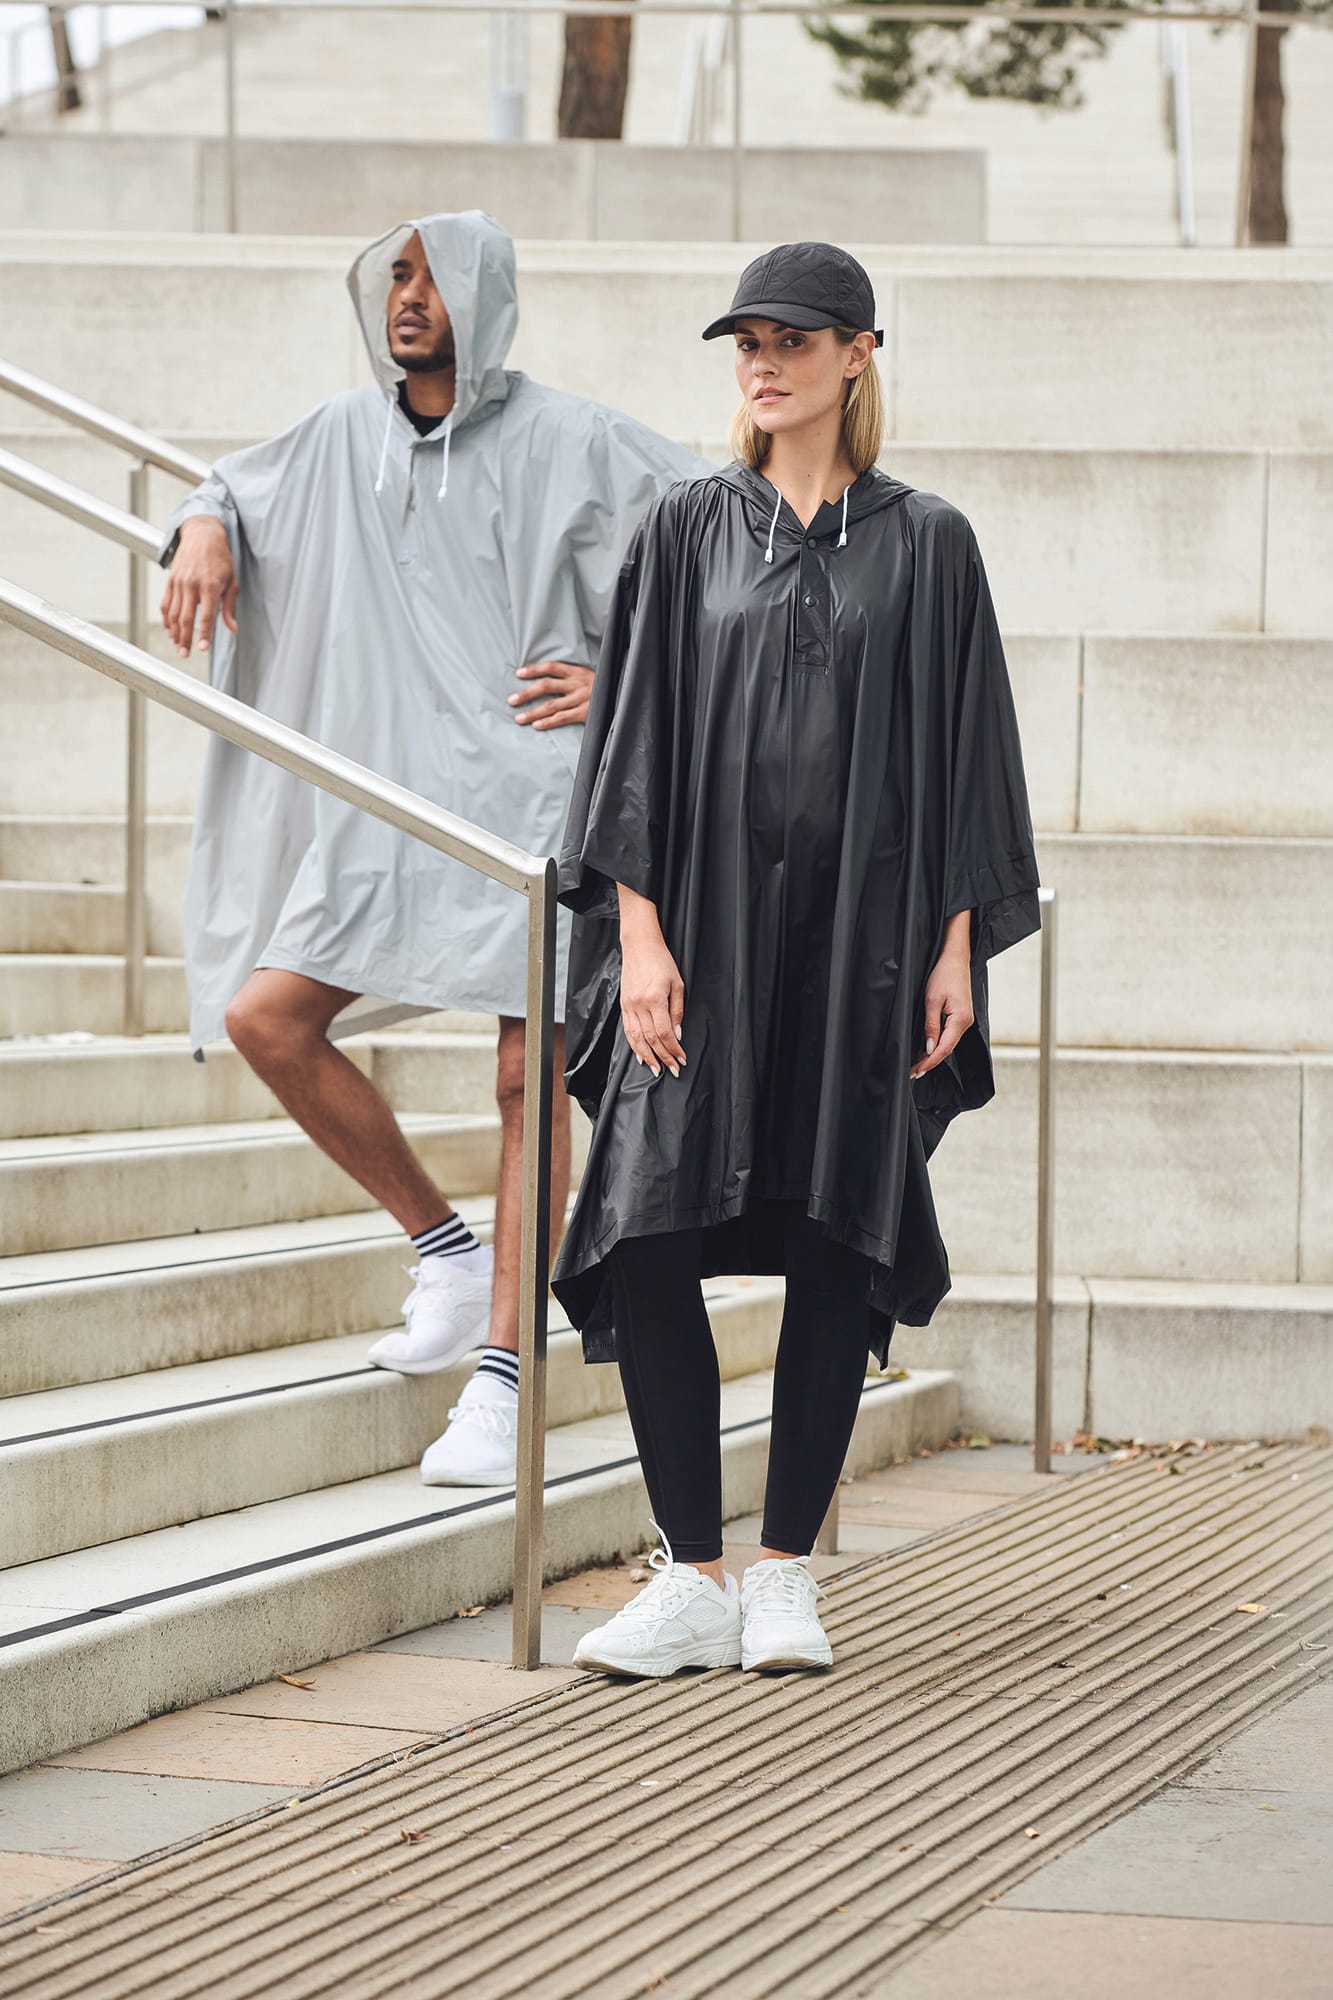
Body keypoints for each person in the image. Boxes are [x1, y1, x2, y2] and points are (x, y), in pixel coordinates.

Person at [551, 242, 1040, 1676]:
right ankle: (690, 1572)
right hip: (697, 946)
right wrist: (641, 940)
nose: (763, 364)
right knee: (647, 1230)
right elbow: (630, 744)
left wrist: (956, 946)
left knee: (838, 1231)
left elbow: (965, 758)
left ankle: (782, 1577)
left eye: (793, 340)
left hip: (865, 946)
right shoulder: (684, 528)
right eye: (746, 343)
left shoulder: (929, 543)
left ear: (857, 353)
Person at [159, 211, 706, 1488]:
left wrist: (623, 680)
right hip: (390, 812)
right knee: (266, 1018)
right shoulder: (340, 435)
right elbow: (229, 484)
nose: (408, 295)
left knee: (525, 1081)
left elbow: (721, 538)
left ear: (485, 296)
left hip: (536, 808)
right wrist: (203, 522)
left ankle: (504, 1380)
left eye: (432, 276)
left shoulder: (575, 436)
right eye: (392, 275)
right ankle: (447, 1251)